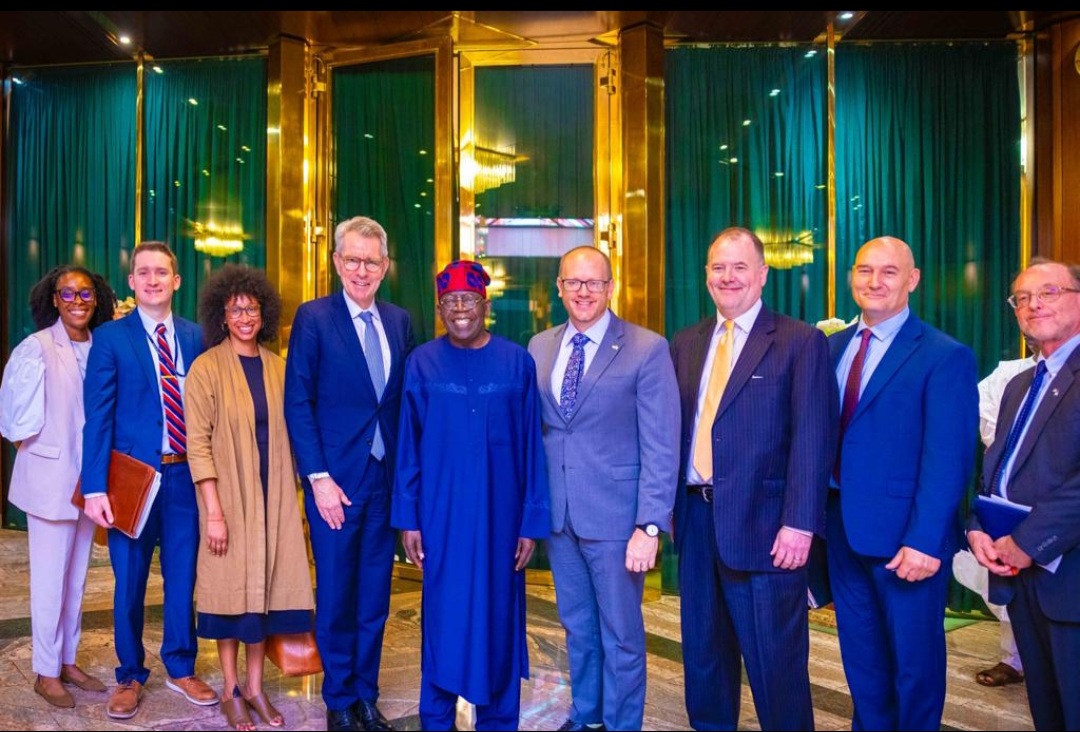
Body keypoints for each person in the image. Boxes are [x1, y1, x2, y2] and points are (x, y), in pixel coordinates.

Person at [670, 228, 837, 731]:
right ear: (706, 276)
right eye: (719, 267)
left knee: (776, 666)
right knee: (704, 658)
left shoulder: (799, 341)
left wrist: (800, 523)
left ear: (763, 274)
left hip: (767, 530)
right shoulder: (686, 342)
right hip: (696, 520)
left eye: (740, 267)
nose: (728, 277)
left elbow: (813, 437)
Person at [392, 260, 551, 731]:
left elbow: (532, 447)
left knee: (498, 621)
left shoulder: (517, 362)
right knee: (443, 620)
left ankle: (498, 722)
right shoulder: (421, 362)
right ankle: (436, 719)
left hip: (502, 522)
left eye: (468, 300)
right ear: (440, 307)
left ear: (485, 304)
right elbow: (408, 446)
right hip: (440, 520)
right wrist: (409, 518)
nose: (459, 309)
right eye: (449, 301)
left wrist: (530, 522)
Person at [827, 236, 978, 731]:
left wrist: (925, 539)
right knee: (862, 662)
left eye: (889, 272)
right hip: (842, 534)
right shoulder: (831, 348)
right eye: (865, 270)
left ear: (912, 280)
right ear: (851, 277)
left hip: (906, 542)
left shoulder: (943, 355)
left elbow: (948, 458)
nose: (875, 282)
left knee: (914, 668)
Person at [528, 246, 680, 732]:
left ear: (611, 287)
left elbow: (661, 444)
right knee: (577, 627)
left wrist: (649, 525)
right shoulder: (540, 346)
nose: (583, 292)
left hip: (618, 520)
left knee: (621, 635)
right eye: (573, 282)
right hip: (560, 516)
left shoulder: (646, 348)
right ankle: (587, 716)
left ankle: (620, 724)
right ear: (559, 287)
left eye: (594, 282)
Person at [285, 215, 414, 732]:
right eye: (353, 260)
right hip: (335, 484)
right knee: (337, 595)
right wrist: (318, 479)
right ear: (337, 262)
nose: (362, 270)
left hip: (384, 481)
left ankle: (366, 695)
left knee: (375, 598)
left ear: (385, 267)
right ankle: (338, 699)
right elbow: (299, 402)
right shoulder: (314, 318)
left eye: (371, 261)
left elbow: (401, 405)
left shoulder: (400, 321)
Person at [80, 241, 216, 719]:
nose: (153, 280)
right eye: (144, 272)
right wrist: (94, 487)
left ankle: (181, 666)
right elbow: (97, 417)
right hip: (132, 480)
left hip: (184, 477)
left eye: (161, 272)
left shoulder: (197, 337)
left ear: (176, 281)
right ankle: (130, 674)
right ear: (132, 282)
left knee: (182, 576)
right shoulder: (110, 339)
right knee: (129, 581)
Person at [184, 265, 315, 731]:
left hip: (274, 497)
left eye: (252, 309)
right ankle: (231, 690)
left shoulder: (279, 368)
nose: (245, 317)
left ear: (264, 314)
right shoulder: (206, 368)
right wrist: (213, 513)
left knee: (263, 598)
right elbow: (197, 444)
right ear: (222, 315)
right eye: (236, 309)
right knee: (230, 597)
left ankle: (256, 689)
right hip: (229, 500)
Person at [967, 258, 1080, 731]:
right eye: (1023, 298)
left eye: (1050, 292)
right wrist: (977, 528)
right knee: (1047, 711)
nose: (1034, 305)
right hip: (1021, 579)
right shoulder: (1018, 384)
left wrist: (1028, 542)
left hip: (1068, 575)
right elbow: (998, 468)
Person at [0, 266, 114, 708]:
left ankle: (67, 660)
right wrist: (47, 455)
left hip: (91, 483)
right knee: (49, 582)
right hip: (50, 482)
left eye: (85, 293)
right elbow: (15, 423)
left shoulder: (101, 345)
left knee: (77, 578)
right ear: (53, 299)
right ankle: (45, 672)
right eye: (67, 294)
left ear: (96, 298)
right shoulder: (37, 347)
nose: (77, 301)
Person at [951, 337, 1040, 688]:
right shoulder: (1011, 374)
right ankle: (1014, 658)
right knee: (1009, 577)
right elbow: (985, 421)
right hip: (1012, 493)